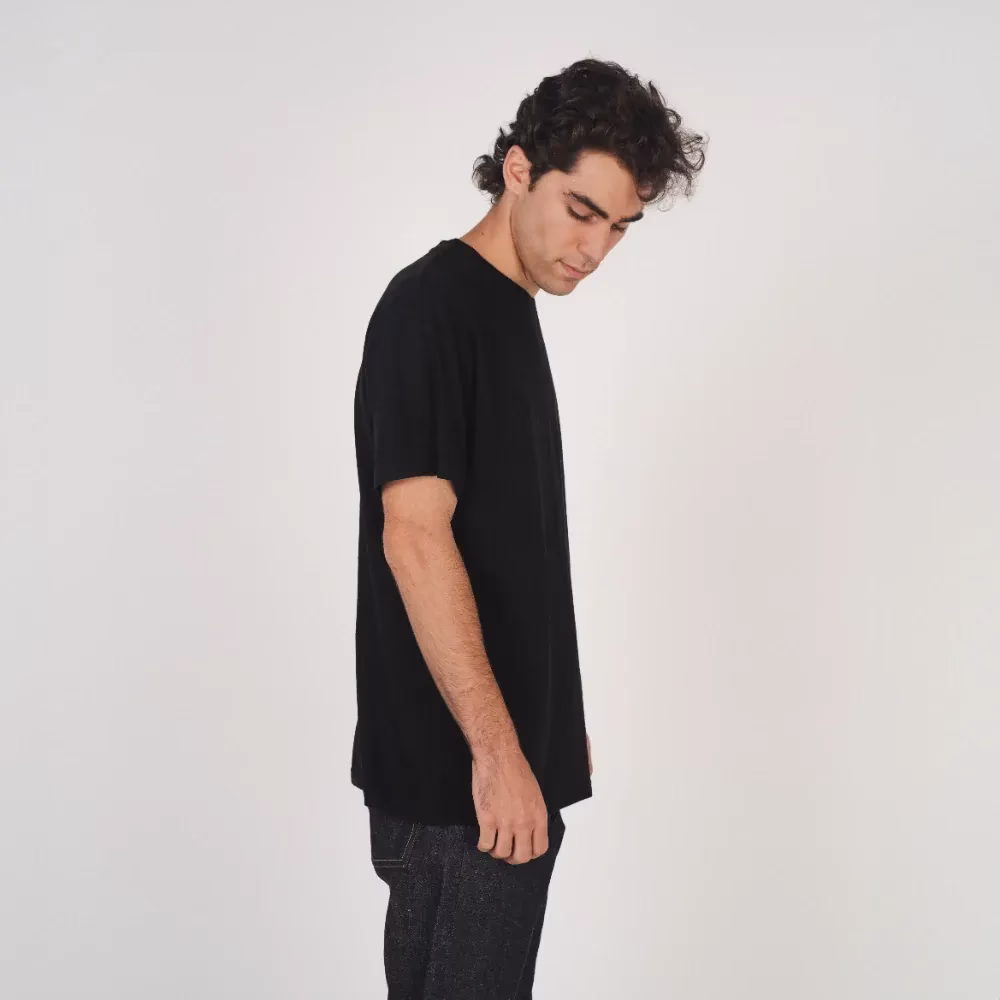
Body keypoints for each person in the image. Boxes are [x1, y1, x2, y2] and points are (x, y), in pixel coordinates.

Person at [351, 56, 706, 999]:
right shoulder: (433, 307)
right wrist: (501, 752)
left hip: (505, 766)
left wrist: (551, 722)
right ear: (518, 168)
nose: (594, 249)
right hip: (460, 784)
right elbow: (413, 536)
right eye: (581, 211)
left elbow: (511, 547)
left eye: (619, 227)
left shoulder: (507, 310)